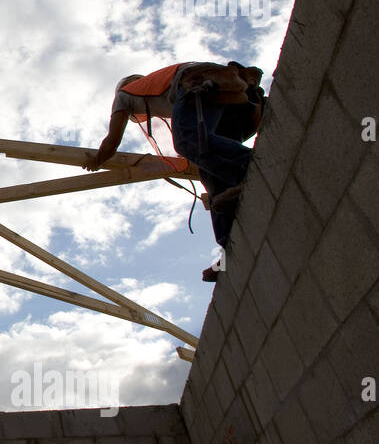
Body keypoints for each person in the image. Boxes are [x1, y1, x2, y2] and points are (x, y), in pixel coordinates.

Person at [84, 62, 265, 281]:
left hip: (198, 84)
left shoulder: (125, 94)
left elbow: (112, 140)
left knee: (187, 142)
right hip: (225, 93)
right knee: (210, 172)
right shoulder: (160, 90)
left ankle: (249, 167)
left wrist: (96, 160)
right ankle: (230, 247)